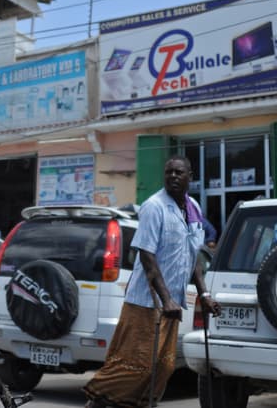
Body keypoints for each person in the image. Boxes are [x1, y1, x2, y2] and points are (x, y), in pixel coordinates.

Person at [82, 156, 221, 408]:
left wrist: (205, 295)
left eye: (179, 172)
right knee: (137, 365)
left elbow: (194, 257)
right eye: (169, 172)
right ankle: (98, 400)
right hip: (146, 301)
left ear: (191, 176)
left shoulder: (193, 209)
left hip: (172, 304)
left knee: (164, 365)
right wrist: (165, 298)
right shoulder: (154, 207)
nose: (173, 176)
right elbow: (147, 256)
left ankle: (139, 404)